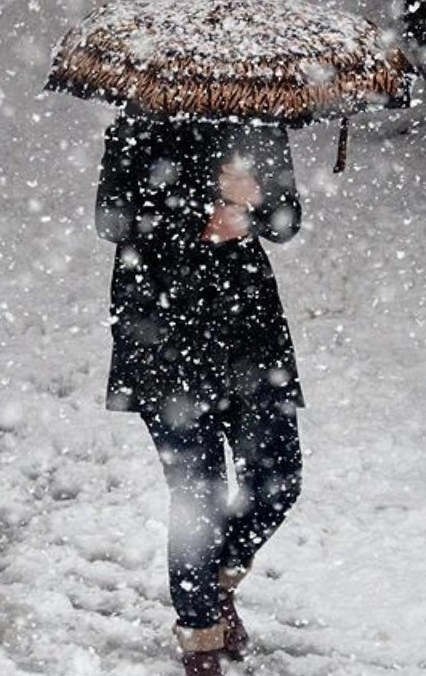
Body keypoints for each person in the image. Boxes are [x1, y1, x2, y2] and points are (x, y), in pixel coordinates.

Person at [95, 104, 305, 676]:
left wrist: (254, 202)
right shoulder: (139, 122)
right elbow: (113, 221)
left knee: (278, 479)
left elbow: (287, 222)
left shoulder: (259, 121)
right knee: (199, 496)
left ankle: (216, 582)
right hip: (163, 332)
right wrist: (199, 214)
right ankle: (200, 639)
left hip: (248, 333)